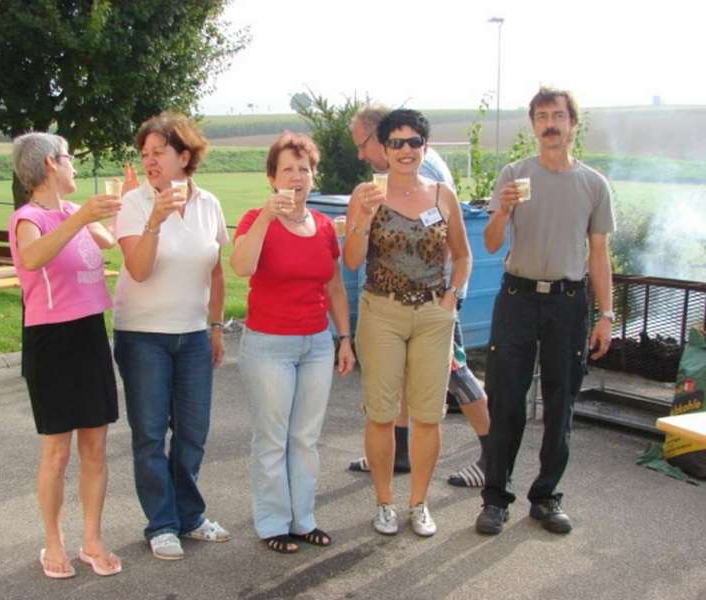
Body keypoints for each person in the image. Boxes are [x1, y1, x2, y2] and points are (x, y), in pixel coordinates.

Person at [475, 87, 615, 536]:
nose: (550, 123)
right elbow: (493, 243)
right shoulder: (514, 175)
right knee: (507, 400)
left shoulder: (593, 184)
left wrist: (606, 315)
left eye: (558, 115)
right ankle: (496, 498)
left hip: (568, 304)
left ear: (573, 123)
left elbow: (599, 254)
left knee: (561, 404)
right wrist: (503, 212)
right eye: (541, 116)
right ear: (532, 124)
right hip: (517, 298)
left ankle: (546, 496)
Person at [349, 104, 490, 487]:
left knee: (455, 374)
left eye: (363, 144)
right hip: (404, 302)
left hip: (434, 298)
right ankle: (396, 453)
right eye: (397, 143)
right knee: (399, 387)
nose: (362, 153)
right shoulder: (380, 185)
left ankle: (493, 455)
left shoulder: (419, 173)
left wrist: (448, 300)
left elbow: (444, 244)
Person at [112, 112, 231, 560]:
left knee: (193, 432)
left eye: (159, 152)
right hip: (143, 336)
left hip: (193, 335)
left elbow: (216, 271)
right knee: (148, 434)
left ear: (184, 155)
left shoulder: (209, 204)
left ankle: (190, 516)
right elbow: (139, 271)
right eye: (144, 154)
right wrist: (155, 220)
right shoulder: (135, 203)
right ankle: (161, 523)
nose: (150, 161)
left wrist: (216, 326)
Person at [231, 132, 355, 554]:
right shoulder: (253, 219)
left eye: (304, 169)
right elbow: (242, 267)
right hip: (269, 345)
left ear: (313, 176)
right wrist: (266, 217)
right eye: (288, 169)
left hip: (316, 343)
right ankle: (272, 523)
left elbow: (335, 286)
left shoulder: (321, 226)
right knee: (272, 437)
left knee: (305, 437)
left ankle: (304, 519)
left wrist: (344, 338)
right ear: (272, 178)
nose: (297, 176)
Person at [8, 132, 122, 578]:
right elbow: (32, 257)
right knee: (57, 452)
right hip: (51, 342)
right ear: (52, 164)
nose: (75, 166)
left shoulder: (75, 212)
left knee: (95, 447)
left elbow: (109, 242)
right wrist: (76, 220)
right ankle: (52, 542)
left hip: (90, 335)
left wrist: (125, 203)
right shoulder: (27, 218)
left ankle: (92, 540)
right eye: (71, 159)